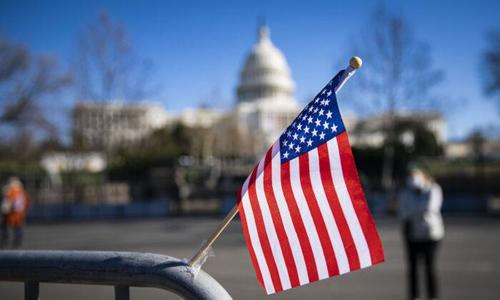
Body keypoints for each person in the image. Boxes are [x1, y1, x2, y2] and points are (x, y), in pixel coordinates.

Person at [399, 164, 444, 300]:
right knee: (412, 269)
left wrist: (412, 210)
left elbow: (430, 207)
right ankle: (413, 295)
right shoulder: (405, 192)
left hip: (431, 234)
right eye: (410, 176)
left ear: (423, 175)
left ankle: (432, 296)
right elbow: (402, 212)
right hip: (411, 234)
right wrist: (416, 210)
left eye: (415, 175)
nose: (412, 179)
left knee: (429, 267)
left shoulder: (434, 189)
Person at [1, 177, 30, 248]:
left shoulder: (12, 192)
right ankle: (16, 242)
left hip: (13, 214)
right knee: (17, 228)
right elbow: (27, 202)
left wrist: (6, 209)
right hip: (19, 213)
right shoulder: (23, 192)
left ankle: (6, 240)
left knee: (8, 226)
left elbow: (8, 204)